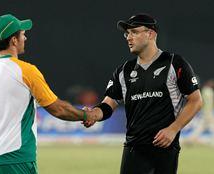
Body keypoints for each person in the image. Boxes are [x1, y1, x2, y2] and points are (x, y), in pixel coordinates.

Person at [0, 14, 99, 174]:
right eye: (23, 34)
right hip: (17, 158)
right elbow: (58, 109)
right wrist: (86, 115)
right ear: (14, 40)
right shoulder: (26, 71)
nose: (25, 37)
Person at [83, 13, 203, 174]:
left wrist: (173, 129)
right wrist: (93, 114)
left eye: (134, 32)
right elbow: (108, 104)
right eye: (127, 33)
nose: (128, 37)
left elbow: (196, 101)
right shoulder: (123, 70)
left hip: (165, 149)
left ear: (151, 34)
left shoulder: (175, 63)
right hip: (133, 149)